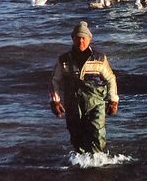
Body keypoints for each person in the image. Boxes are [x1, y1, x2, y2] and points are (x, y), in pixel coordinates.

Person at [48, 21, 119, 154]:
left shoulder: (100, 58)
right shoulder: (63, 60)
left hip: (96, 103)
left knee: (97, 134)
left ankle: (98, 163)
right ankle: (81, 167)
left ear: (89, 39)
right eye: (78, 38)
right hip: (72, 104)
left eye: (84, 38)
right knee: (76, 137)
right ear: (73, 39)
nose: (81, 41)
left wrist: (113, 100)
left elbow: (110, 79)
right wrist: (55, 101)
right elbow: (54, 81)